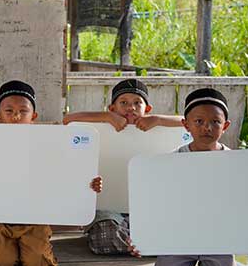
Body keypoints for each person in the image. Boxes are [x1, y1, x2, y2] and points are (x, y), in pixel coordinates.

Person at [0, 81, 102, 266]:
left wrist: (88, 184)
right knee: (2, 263)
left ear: (33, 116)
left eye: (23, 111)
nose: (16, 116)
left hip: (36, 220)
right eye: (9, 110)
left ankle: (27, 247)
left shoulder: (49, 145)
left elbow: (66, 175)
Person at [133, 88, 239, 266]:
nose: (207, 128)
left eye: (215, 122)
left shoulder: (237, 164)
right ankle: (189, 263)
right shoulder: (171, 162)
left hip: (218, 238)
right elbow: (156, 202)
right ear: (186, 124)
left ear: (225, 126)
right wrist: (143, 236)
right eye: (198, 121)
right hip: (181, 237)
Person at [64, 79, 183, 256]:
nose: (131, 108)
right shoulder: (102, 128)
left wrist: (157, 119)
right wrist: (106, 117)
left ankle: (138, 243)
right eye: (124, 103)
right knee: (105, 234)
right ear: (112, 108)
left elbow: (187, 121)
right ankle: (146, 244)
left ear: (147, 109)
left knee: (172, 225)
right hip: (109, 213)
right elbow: (68, 120)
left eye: (137, 103)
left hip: (148, 211)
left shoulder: (158, 128)